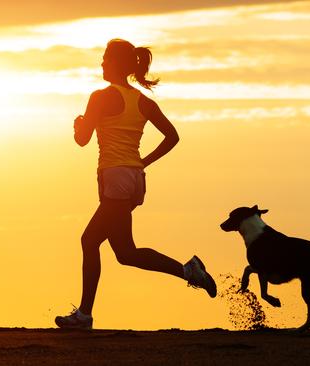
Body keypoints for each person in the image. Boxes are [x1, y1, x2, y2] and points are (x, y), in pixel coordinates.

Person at [55, 39, 216, 330]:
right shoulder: (143, 101)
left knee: (89, 241)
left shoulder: (100, 97)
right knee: (126, 253)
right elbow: (172, 136)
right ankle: (189, 271)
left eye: (105, 58)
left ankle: (84, 315)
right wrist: (144, 161)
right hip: (134, 180)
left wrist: (77, 125)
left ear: (116, 63)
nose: (101, 63)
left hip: (115, 179)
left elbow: (82, 140)